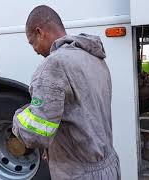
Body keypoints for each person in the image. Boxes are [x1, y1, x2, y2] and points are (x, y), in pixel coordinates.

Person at [12, 5, 120, 180]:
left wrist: (17, 119)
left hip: (79, 174)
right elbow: (80, 113)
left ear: (40, 32)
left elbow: (36, 134)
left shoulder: (54, 66)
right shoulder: (93, 57)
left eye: (32, 42)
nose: (34, 49)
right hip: (109, 166)